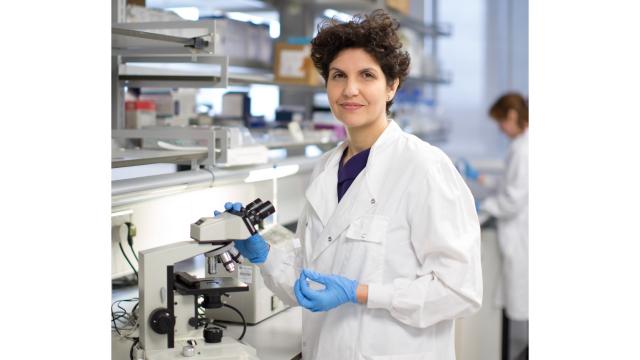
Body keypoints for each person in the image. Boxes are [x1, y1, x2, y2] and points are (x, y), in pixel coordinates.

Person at [218, 10, 482, 360]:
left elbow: (459, 289)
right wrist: (264, 255)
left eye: (367, 75)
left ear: (392, 86)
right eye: (338, 75)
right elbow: (313, 277)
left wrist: (362, 293)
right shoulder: (327, 167)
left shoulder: (424, 168)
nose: (350, 89)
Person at [459, 92, 529, 359]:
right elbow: (508, 186)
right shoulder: (521, 145)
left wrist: (482, 208)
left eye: (501, 121)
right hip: (517, 232)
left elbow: (512, 199)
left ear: (512, 116)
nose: (500, 128)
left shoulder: (524, 148)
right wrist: (481, 178)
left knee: (522, 303)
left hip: (521, 234)